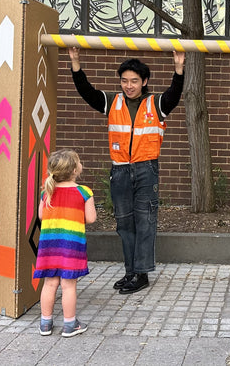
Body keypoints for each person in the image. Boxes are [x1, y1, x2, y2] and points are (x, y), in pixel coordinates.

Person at [68, 47, 185, 294]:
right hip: (120, 170)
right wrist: (75, 61)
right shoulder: (113, 101)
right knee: (124, 224)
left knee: (144, 220)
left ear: (144, 82)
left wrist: (178, 69)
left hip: (146, 170)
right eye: (124, 81)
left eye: (134, 81)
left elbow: (174, 94)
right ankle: (130, 271)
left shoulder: (156, 103)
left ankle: (141, 273)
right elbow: (86, 92)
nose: (128, 86)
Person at [33, 149, 97, 337]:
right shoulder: (84, 192)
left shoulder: (47, 192)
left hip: (49, 246)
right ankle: (70, 325)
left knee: (49, 283)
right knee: (69, 285)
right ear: (75, 170)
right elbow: (91, 218)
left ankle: (45, 323)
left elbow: (41, 216)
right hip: (71, 246)